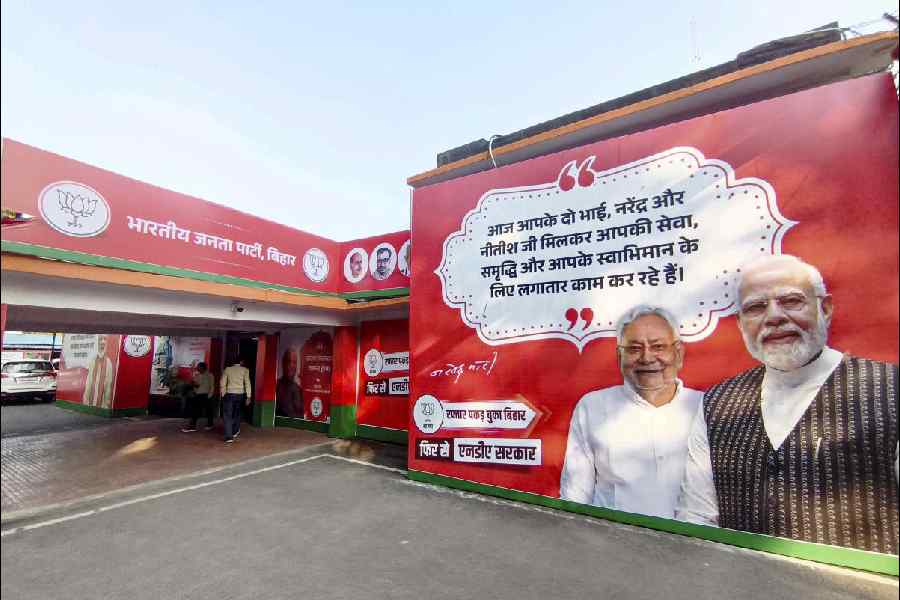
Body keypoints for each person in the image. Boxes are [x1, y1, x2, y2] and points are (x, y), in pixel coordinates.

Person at [676, 254, 898, 554]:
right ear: (741, 324)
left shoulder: (890, 389)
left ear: (825, 308)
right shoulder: (718, 403)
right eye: (756, 307)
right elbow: (697, 523)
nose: (774, 317)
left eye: (791, 301)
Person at [560, 306, 703, 518]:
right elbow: (575, 495)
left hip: (692, 545)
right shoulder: (592, 407)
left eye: (658, 346)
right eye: (635, 349)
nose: (647, 358)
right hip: (612, 543)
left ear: (678, 353)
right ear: (620, 357)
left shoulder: (705, 407)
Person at [220, 356, 252, 444]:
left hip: (229, 394)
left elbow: (222, 382)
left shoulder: (228, 369)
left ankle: (229, 436)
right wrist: (248, 396)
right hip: (240, 395)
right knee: (238, 414)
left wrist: (223, 394)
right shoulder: (245, 370)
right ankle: (235, 431)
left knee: (227, 415)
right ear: (241, 362)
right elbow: (247, 383)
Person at [182, 362, 216, 432]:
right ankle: (192, 426)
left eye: (199, 367)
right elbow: (196, 385)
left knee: (208, 411)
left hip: (206, 395)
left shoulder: (210, 375)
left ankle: (210, 424)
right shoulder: (197, 375)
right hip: (197, 395)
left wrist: (210, 395)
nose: (197, 368)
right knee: (195, 410)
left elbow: (212, 386)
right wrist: (193, 384)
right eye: (197, 367)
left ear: (203, 368)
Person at [83, 335, 114, 408]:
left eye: (105, 339)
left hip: (102, 404)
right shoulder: (92, 360)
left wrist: (107, 403)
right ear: (97, 342)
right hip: (89, 402)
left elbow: (108, 385)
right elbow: (88, 381)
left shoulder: (109, 363)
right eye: (100, 339)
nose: (103, 342)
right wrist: (85, 399)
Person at [275, 349, 303, 418]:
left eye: (294, 362)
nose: (291, 365)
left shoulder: (299, 390)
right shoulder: (276, 385)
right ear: (283, 363)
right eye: (288, 361)